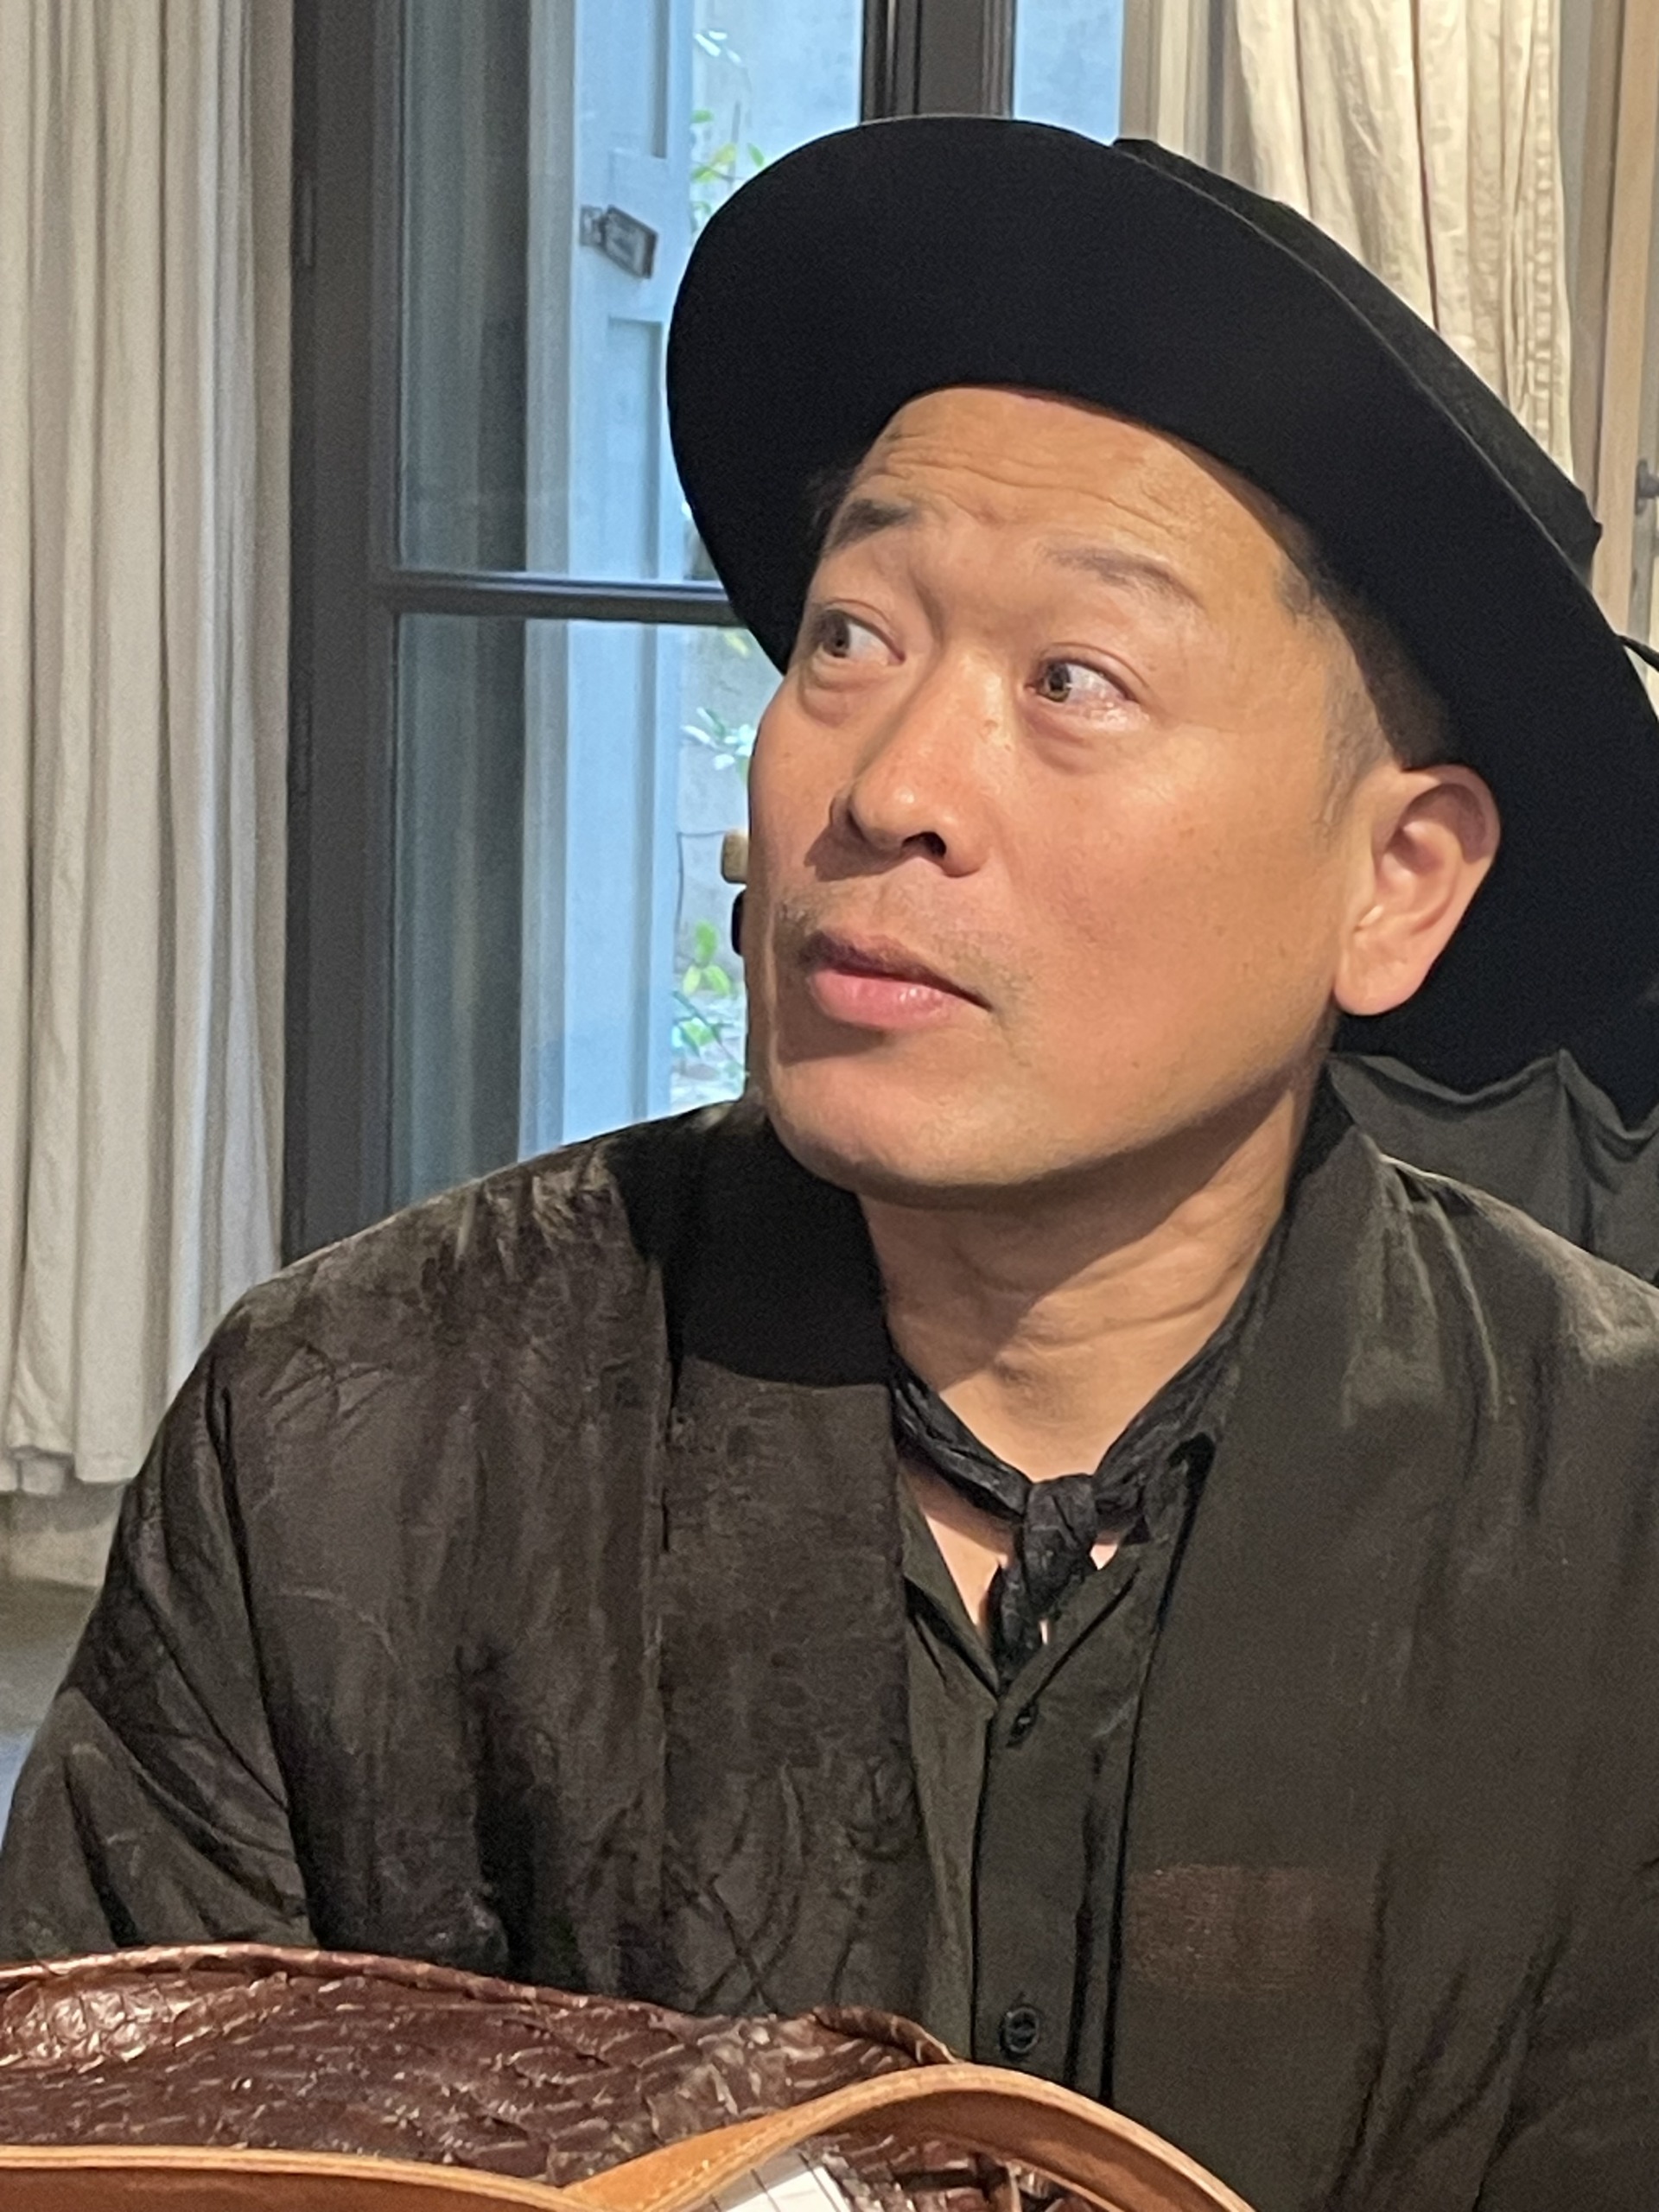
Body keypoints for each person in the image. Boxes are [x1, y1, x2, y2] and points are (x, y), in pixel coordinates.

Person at [4, 120, 1659, 2212]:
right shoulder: (351, 1430)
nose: (888, 785)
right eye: (851, 638)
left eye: (1074, 680)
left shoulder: (1611, 1518)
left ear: (1397, 876)